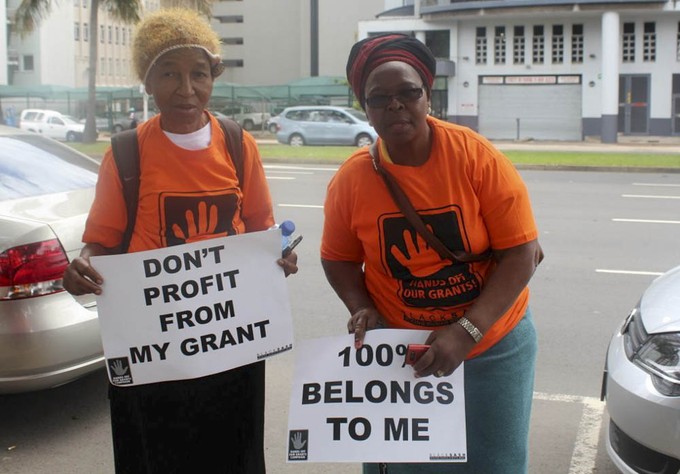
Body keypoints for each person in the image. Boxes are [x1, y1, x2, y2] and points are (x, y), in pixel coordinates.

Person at [62, 9, 297, 473]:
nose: (186, 89)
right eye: (169, 74)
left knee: (233, 452)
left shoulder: (236, 143)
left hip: (232, 346)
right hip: (155, 354)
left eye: (199, 73)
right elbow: (101, 244)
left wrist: (279, 258)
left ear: (214, 77)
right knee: (157, 456)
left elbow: (260, 232)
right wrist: (82, 266)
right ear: (147, 83)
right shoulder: (127, 151)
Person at [320, 33, 543, 474]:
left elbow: (522, 253)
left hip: (491, 347)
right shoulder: (351, 180)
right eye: (379, 97)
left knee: (492, 464)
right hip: (404, 355)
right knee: (406, 465)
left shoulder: (476, 158)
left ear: (427, 94)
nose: (395, 105)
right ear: (364, 106)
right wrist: (361, 306)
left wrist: (466, 333)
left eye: (408, 93)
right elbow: (338, 258)